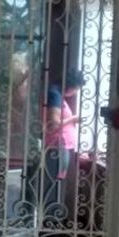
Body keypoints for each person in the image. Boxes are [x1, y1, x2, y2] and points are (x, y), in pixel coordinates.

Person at [40, 68, 86, 220]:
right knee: (54, 184)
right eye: (76, 88)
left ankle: (52, 220)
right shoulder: (55, 95)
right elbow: (53, 124)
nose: (75, 92)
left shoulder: (57, 95)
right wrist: (73, 119)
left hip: (60, 146)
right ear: (70, 85)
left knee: (56, 183)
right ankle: (50, 221)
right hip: (57, 147)